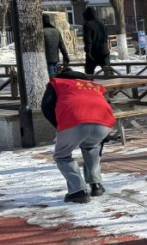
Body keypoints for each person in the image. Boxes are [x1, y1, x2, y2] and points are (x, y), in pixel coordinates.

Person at [41, 69, 115, 204]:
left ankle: (78, 191)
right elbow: (105, 104)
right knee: (92, 147)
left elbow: (46, 106)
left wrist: (59, 125)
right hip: (104, 121)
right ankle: (96, 185)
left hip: (74, 120)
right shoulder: (92, 85)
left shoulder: (57, 83)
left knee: (62, 156)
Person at [81, 7, 110, 76]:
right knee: (108, 74)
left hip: (93, 54)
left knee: (89, 75)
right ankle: (111, 86)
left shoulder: (87, 25)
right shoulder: (101, 24)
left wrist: (88, 52)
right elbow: (106, 37)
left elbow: (87, 40)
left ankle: (90, 86)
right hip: (104, 52)